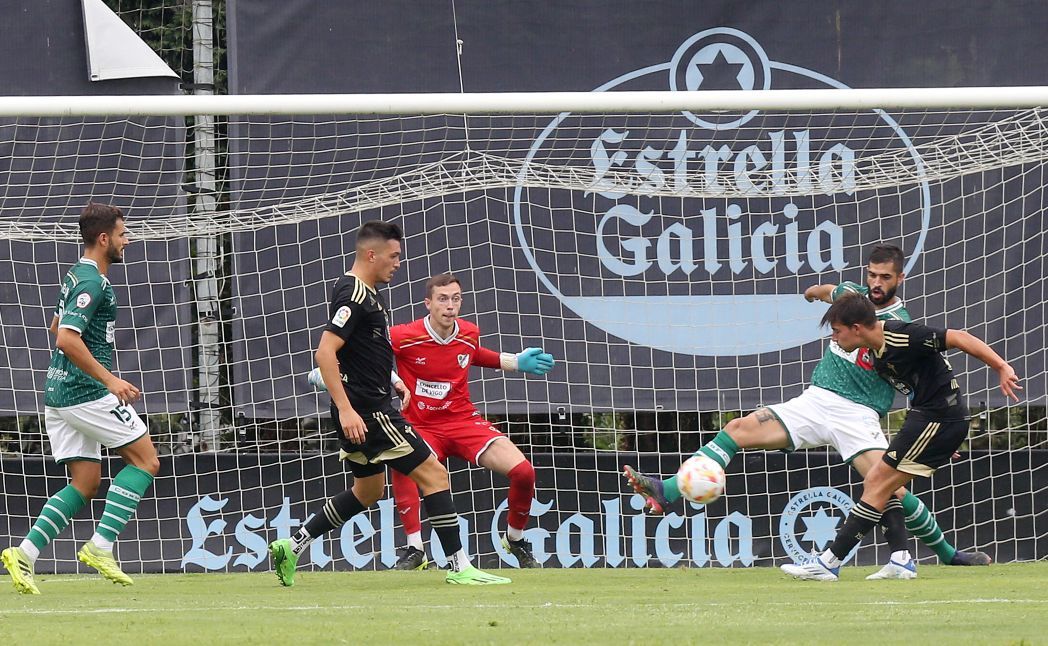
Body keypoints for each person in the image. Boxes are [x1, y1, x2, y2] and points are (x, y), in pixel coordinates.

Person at [623, 244, 991, 574]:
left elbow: (919, 379)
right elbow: (826, 291)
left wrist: (934, 433)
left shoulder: (900, 325)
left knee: (888, 487)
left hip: (858, 414)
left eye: (885, 277)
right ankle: (666, 491)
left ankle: (943, 553)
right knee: (737, 429)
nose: (877, 284)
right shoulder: (852, 296)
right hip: (814, 401)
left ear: (899, 279)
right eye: (872, 275)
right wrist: (812, 294)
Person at [269, 221, 509, 586]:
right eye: (394, 256)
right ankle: (460, 567)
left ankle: (293, 544)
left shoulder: (365, 291)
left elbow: (359, 354)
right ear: (372, 254)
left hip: (366, 405)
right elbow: (325, 351)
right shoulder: (355, 294)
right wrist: (347, 408)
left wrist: (393, 380)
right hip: (369, 412)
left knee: (368, 491)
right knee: (434, 473)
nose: (398, 263)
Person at [782, 294, 1020, 581]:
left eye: (836, 331)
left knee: (877, 483)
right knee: (878, 482)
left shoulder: (901, 335)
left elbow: (958, 337)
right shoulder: (874, 352)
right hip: (929, 423)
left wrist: (1001, 367)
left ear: (856, 328)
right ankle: (899, 560)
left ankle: (831, 561)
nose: (833, 338)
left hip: (940, 419)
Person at [1, 203, 160, 595]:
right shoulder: (94, 283)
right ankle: (101, 546)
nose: (127, 241)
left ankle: (24, 553)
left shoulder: (76, 275)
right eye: (122, 234)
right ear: (104, 238)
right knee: (146, 460)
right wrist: (110, 380)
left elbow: (57, 323)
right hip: (84, 393)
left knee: (86, 482)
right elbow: (65, 337)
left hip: (57, 392)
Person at [386, 274, 554, 570]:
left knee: (524, 472)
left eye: (456, 299)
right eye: (442, 299)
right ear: (428, 304)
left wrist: (515, 362)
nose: (450, 306)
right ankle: (415, 549)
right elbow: (371, 353)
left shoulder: (468, 332)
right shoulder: (404, 335)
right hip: (422, 426)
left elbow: (472, 353)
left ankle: (515, 540)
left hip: (462, 421)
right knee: (403, 459)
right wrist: (393, 378)